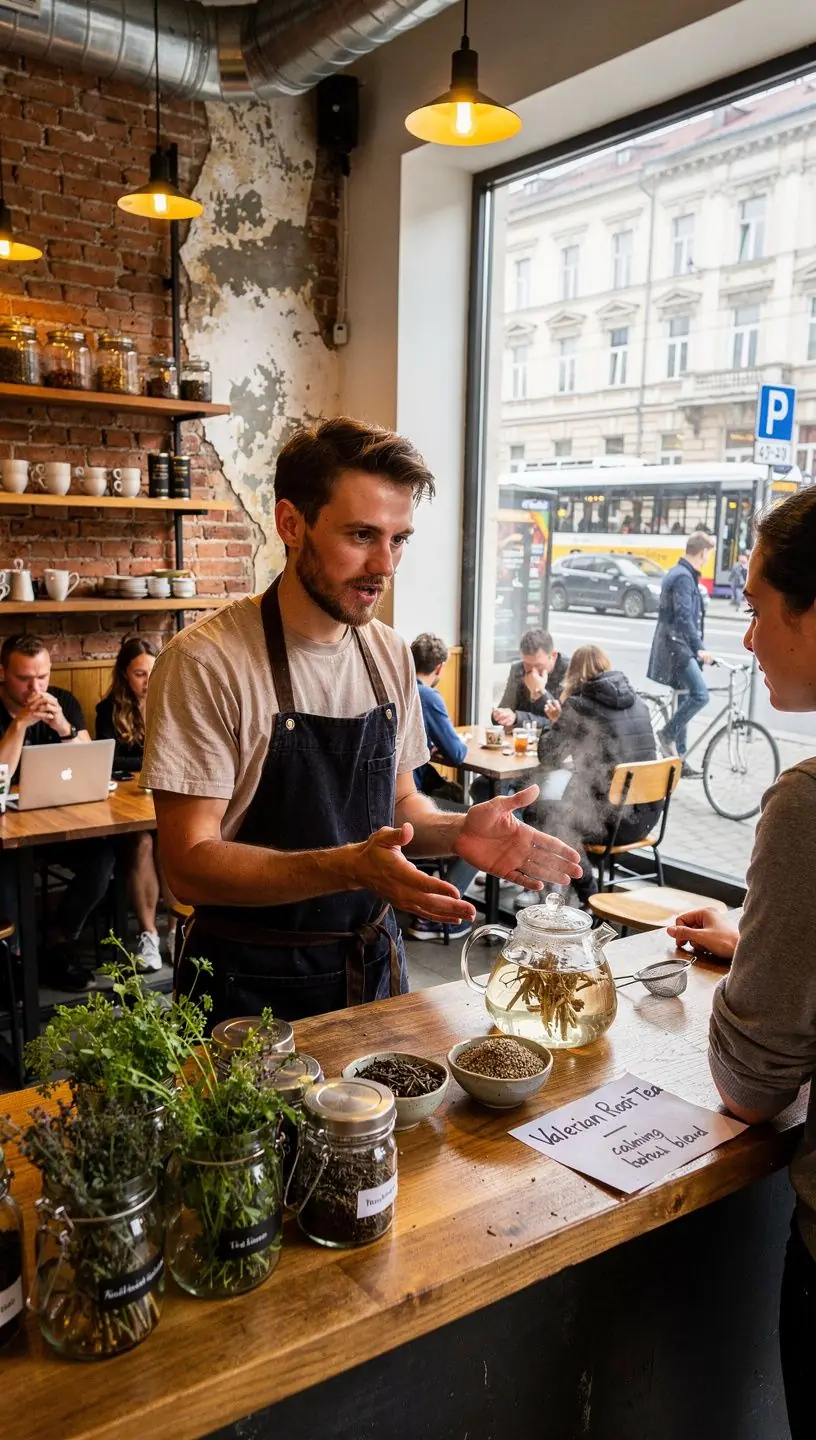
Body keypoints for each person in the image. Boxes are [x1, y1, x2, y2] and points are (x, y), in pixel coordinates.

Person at [141, 418, 582, 1024]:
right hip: (248, 990)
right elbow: (188, 865)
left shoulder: (388, 653)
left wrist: (456, 832)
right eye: (361, 535)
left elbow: (402, 807)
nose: (385, 564)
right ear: (291, 523)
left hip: (372, 970)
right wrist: (348, 865)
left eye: (399, 539)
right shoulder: (206, 662)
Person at [665, 487, 816, 1440]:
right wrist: (765, 931)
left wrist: (768, 958)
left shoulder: (807, 804)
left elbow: (751, 1085)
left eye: (759, 606)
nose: (749, 639)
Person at [0, 634, 115, 990]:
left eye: (43, 677)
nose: (35, 687)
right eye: (24, 678)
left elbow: (93, 763)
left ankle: (59, 941)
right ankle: (13, 958)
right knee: (3, 862)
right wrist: (18, 724)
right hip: (8, 832)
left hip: (54, 820)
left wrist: (63, 727)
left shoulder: (62, 701)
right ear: (3, 672)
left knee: (104, 856)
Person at [530, 644, 659, 907]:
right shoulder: (640, 703)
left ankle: (587, 894)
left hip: (611, 825)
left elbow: (548, 754)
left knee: (540, 814)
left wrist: (556, 721)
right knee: (565, 809)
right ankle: (571, 888)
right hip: (647, 817)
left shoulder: (580, 705)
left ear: (573, 673)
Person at [96, 637, 174, 973]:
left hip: (161, 796)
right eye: (139, 674)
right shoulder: (108, 710)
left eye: (152, 672)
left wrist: (138, 762)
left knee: (173, 837)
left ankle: (177, 929)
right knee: (142, 841)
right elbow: (109, 757)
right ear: (124, 674)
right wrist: (149, 761)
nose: (146, 680)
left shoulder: (171, 701)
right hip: (124, 805)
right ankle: (149, 935)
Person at [408, 633, 476, 942]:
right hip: (411, 801)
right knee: (476, 824)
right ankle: (435, 914)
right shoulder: (427, 696)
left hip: (388, 801)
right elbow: (458, 754)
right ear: (441, 668)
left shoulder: (400, 687)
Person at [646, 531, 715, 778]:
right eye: (708, 553)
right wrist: (699, 647)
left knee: (686, 696)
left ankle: (679, 761)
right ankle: (667, 734)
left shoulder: (679, 572)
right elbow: (685, 618)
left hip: (675, 645)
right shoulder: (684, 577)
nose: (708, 559)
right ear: (702, 552)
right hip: (677, 648)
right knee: (700, 694)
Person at [492, 627, 568, 732]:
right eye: (527, 665)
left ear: (553, 656)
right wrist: (500, 715)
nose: (533, 671)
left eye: (539, 665)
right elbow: (503, 713)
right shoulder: (518, 669)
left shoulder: (569, 672)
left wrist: (541, 692)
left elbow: (561, 722)